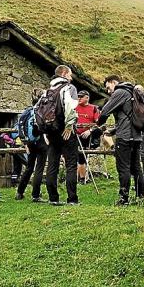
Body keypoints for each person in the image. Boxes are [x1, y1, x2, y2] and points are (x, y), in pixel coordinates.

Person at [97, 75, 144, 205]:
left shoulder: (119, 92)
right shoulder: (132, 91)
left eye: (108, 87)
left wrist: (98, 124)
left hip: (125, 137)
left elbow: (105, 111)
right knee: (136, 167)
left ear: (113, 82)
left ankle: (124, 198)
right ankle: (141, 196)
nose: (108, 91)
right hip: (136, 136)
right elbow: (127, 116)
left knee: (123, 167)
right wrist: (112, 131)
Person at [44, 65, 80, 206]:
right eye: (70, 74)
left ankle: (53, 198)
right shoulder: (69, 88)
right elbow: (71, 107)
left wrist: (45, 132)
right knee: (71, 164)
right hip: (65, 131)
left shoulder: (48, 91)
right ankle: (72, 199)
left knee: (52, 165)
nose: (71, 78)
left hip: (51, 131)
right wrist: (69, 126)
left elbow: (39, 113)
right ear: (64, 74)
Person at [16, 89, 48, 202]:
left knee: (29, 167)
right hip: (42, 142)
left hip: (30, 142)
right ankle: (35, 195)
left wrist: (25, 142)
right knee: (39, 168)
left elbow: (19, 126)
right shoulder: (44, 112)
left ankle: (20, 192)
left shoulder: (27, 112)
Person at [74, 90, 101, 183]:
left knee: (83, 155)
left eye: (81, 97)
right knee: (78, 156)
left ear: (87, 98)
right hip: (75, 135)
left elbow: (98, 123)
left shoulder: (94, 108)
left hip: (88, 136)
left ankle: (82, 178)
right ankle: (81, 178)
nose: (79, 98)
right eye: (78, 96)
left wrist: (89, 131)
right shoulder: (74, 107)